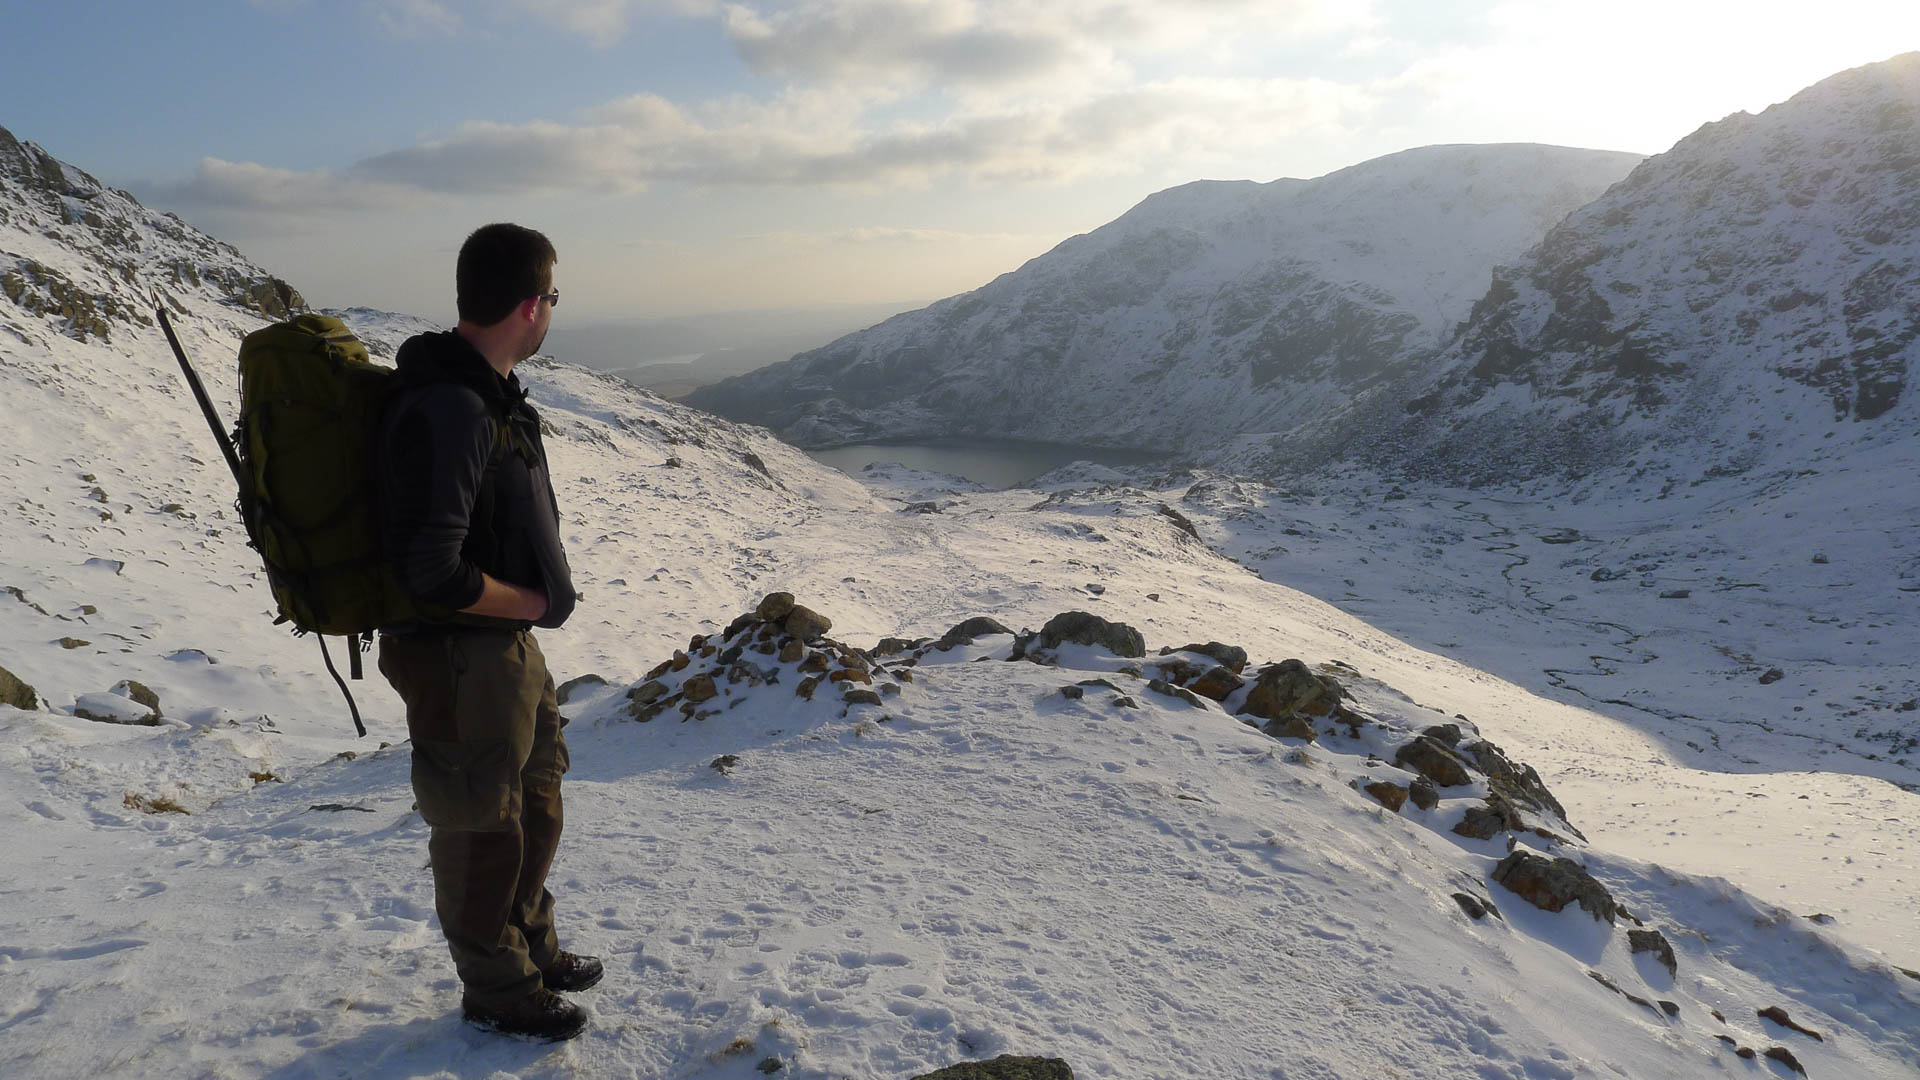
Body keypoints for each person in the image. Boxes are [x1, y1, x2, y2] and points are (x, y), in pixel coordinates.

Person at [375, 223, 598, 1041]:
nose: (551, 314)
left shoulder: (484, 391)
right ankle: (497, 986)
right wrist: (532, 605)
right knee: (478, 821)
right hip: (459, 656)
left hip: (500, 651)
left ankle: (531, 945)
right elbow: (431, 569)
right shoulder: (453, 408)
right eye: (553, 298)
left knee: (535, 798)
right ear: (532, 304)